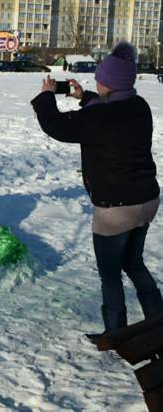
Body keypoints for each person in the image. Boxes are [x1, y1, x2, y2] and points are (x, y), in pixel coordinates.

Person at [31, 42, 163, 336]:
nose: (97, 82)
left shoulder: (99, 117)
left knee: (110, 274)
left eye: (100, 79)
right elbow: (109, 113)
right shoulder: (138, 106)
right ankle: (157, 318)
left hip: (115, 209)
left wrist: (46, 96)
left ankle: (116, 332)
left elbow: (57, 126)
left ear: (110, 84)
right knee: (134, 263)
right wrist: (85, 97)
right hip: (147, 201)